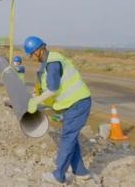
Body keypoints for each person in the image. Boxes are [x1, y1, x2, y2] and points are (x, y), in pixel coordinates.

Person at [24, 35, 92, 185]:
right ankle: (81, 172)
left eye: (31, 54)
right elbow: (49, 89)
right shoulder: (48, 62)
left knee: (68, 138)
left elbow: (53, 89)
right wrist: (39, 99)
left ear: (39, 51)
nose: (30, 58)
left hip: (78, 103)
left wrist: (37, 101)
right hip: (72, 104)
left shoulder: (53, 63)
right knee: (71, 138)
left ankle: (58, 176)